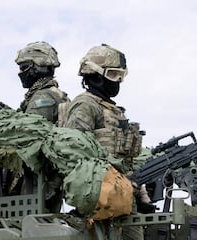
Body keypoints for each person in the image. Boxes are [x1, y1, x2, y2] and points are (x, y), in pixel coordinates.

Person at [63, 43, 144, 240]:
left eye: (121, 76)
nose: (118, 81)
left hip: (123, 196)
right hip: (101, 198)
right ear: (96, 74)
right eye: (114, 75)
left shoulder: (113, 110)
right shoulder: (86, 106)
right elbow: (73, 155)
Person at [14, 41, 70, 212]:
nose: (20, 73)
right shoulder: (57, 94)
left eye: (24, 67)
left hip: (40, 179)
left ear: (38, 67)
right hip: (49, 178)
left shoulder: (43, 97)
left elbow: (30, 136)